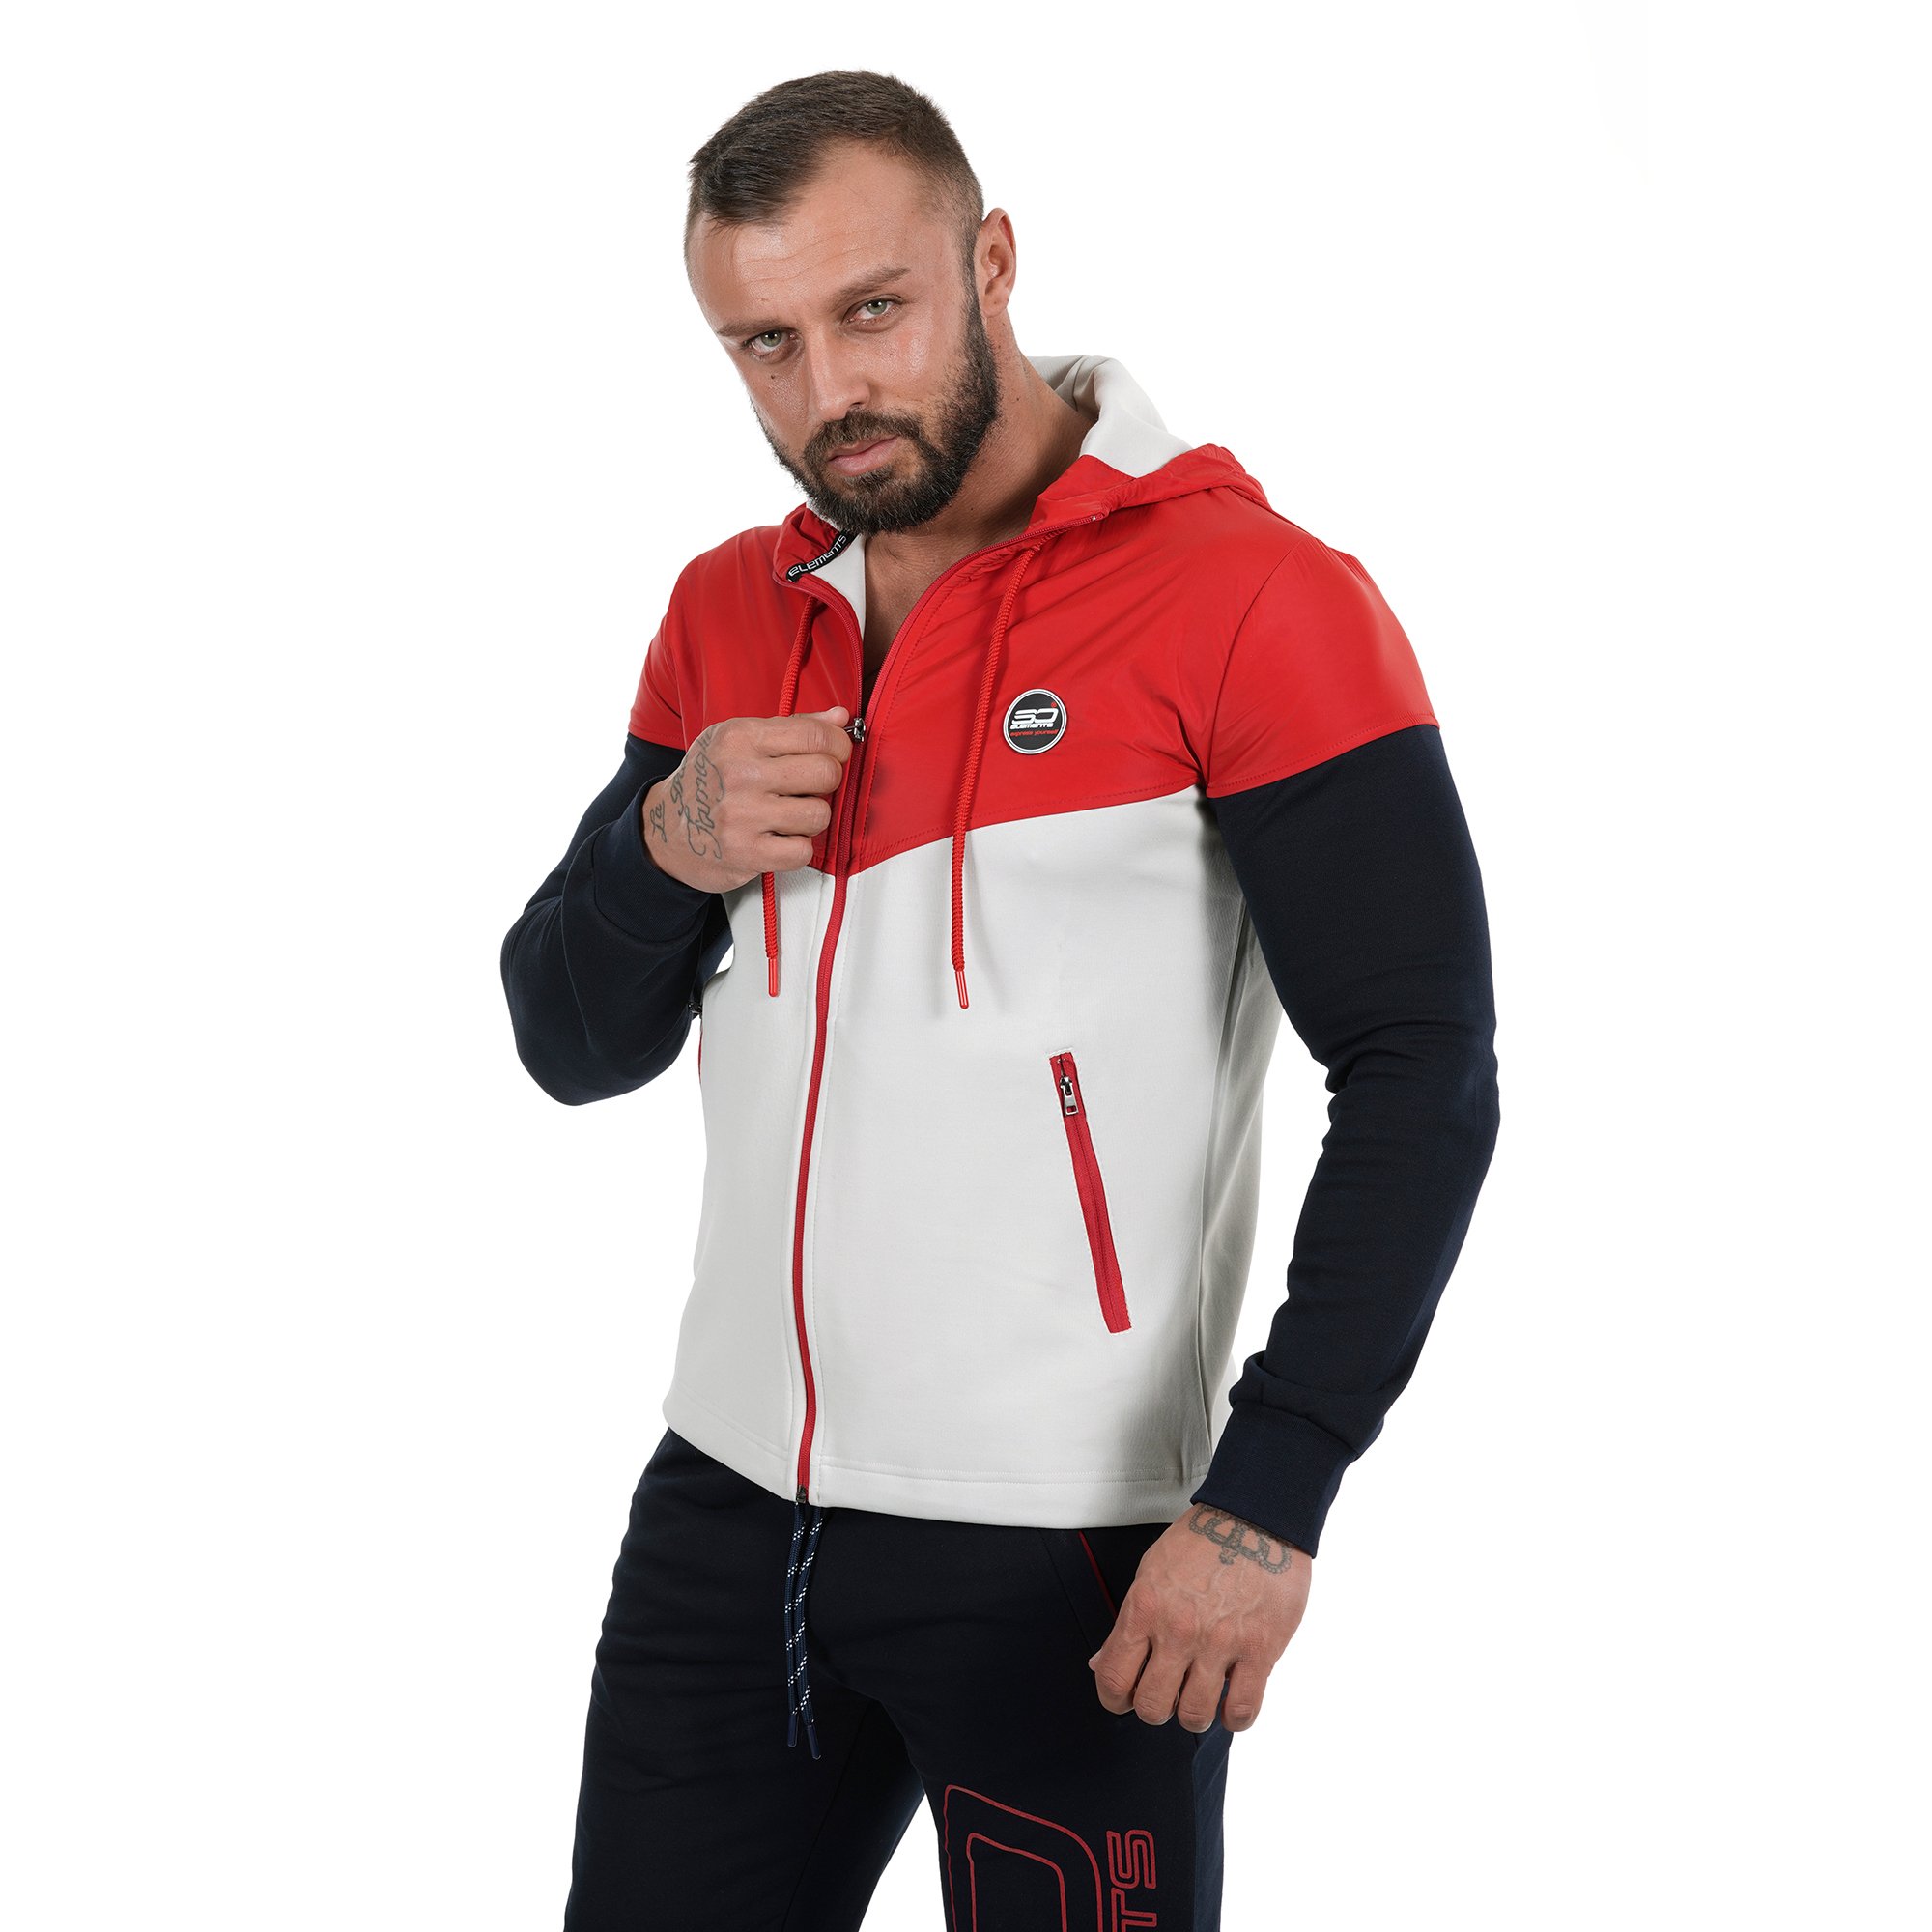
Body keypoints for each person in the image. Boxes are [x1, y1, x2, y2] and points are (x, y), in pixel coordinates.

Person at [502, 69, 1498, 1932]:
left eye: (872, 310)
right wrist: (665, 845)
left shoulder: (1255, 598)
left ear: (993, 263)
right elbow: (571, 1041)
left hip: (1077, 1552)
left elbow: (1421, 1064)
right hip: (730, 1518)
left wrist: (1270, 1494)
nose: (828, 392)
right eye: (764, 345)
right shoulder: (730, 611)